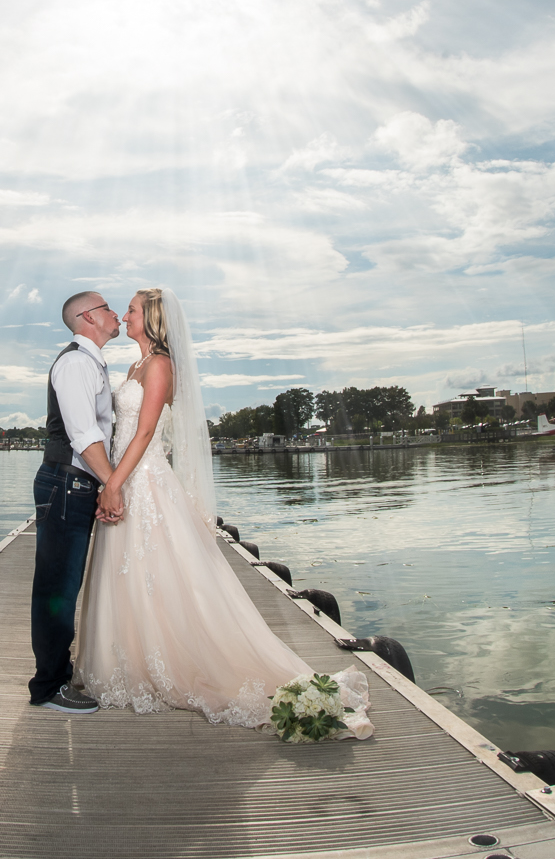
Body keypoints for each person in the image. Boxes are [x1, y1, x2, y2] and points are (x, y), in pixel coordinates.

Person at [73, 288, 373, 737]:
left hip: (144, 479)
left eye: (132, 309)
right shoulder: (135, 364)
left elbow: (148, 430)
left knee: (156, 569)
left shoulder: (159, 365)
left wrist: (113, 482)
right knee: (129, 573)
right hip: (125, 480)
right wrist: (113, 481)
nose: (125, 314)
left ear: (151, 318)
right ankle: (129, 657)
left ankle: (175, 660)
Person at [27, 290, 126, 713]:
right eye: (107, 307)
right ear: (88, 317)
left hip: (76, 485)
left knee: (65, 585)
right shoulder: (74, 364)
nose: (116, 313)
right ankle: (48, 686)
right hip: (67, 484)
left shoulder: (93, 364)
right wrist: (112, 485)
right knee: (57, 588)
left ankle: (58, 675)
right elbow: (84, 436)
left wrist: (105, 484)